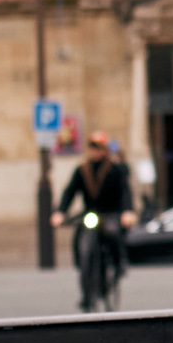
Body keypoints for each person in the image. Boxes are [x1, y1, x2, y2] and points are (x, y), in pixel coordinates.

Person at [51, 133, 137, 311]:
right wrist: (60, 212)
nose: (94, 151)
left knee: (113, 233)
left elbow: (125, 191)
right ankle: (85, 290)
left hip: (110, 214)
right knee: (82, 244)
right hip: (91, 215)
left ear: (104, 150)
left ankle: (119, 263)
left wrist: (127, 211)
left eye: (98, 148)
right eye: (92, 147)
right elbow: (70, 191)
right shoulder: (82, 170)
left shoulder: (115, 169)